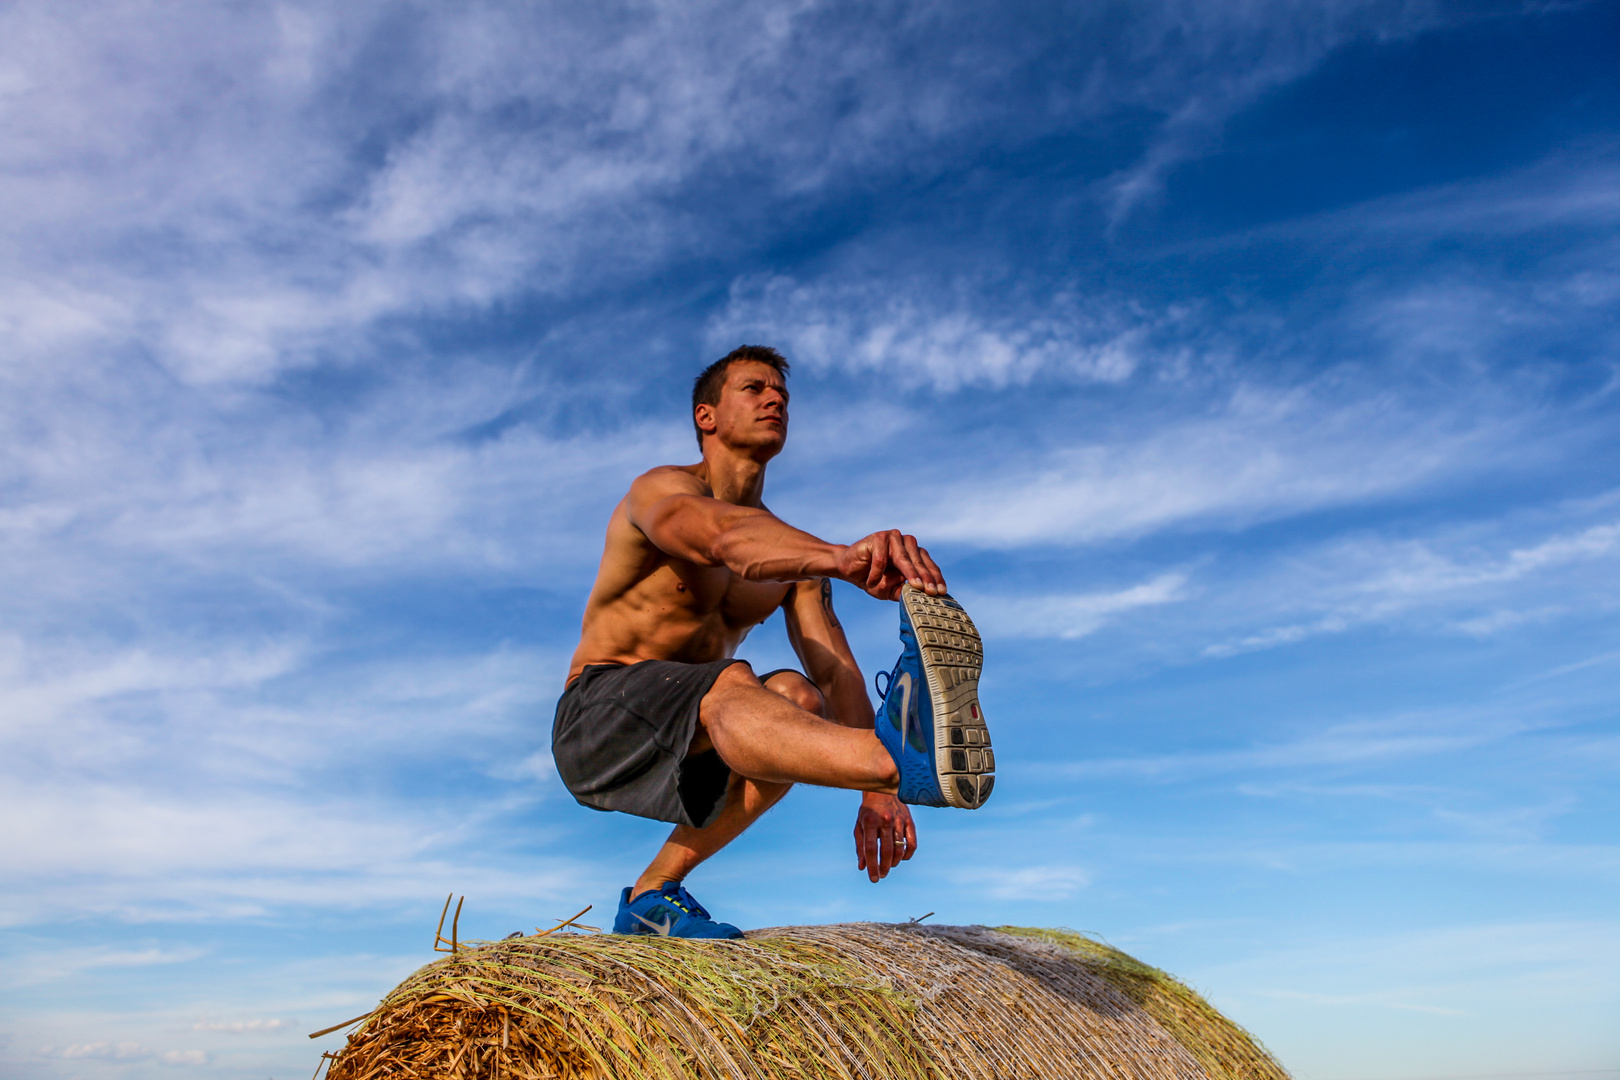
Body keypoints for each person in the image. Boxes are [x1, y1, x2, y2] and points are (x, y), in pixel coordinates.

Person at [553, 345, 994, 939]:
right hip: (597, 721)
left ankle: (651, 893)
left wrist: (872, 799)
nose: (775, 399)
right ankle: (895, 761)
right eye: (755, 388)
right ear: (706, 416)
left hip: (695, 740)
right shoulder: (658, 491)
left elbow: (837, 671)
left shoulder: (795, 559)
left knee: (798, 694)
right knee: (730, 677)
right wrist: (840, 557)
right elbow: (718, 538)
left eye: (781, 393)